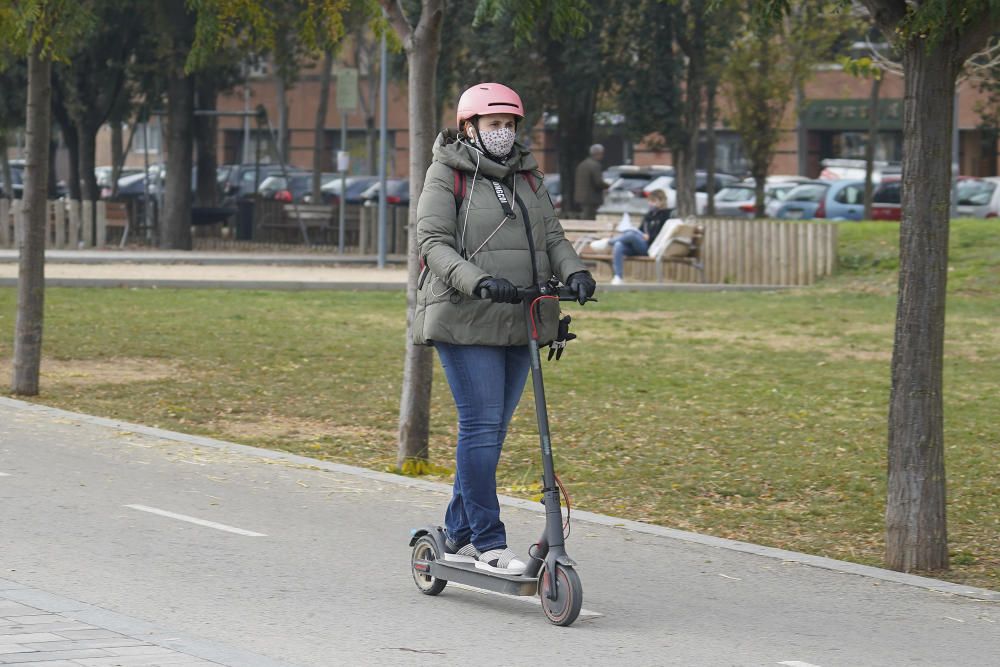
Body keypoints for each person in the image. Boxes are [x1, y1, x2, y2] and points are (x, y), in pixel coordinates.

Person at [412, 82, 597, 575]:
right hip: (464, 315)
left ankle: (456, 533)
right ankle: (487, 542)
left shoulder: (529, 177)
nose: (503, 133)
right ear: (469, 126)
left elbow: (552, 235)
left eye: (510, 124)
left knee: (491, 433)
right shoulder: (446, 173)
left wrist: (574, 270)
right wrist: (478, 281)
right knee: (480, 426)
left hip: (523, 317)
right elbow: (433, 242)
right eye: (494, 124)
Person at [590, 188, 671, 285]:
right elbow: (641, 230)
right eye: (649, 201)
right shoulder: (649, 215)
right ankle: (618, 277)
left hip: (651, 247)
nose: (651, 204)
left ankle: (608, 242)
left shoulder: (666, 216)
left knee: (631, 235)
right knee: (619, 244)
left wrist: (650, 237)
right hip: (641, 244)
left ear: (662, 201)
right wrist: (638, 233)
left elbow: (664, 234)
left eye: (653, 201)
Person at [573, 144, 609, 220]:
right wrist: (608, 185)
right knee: (589, 219)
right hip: (591, 198)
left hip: (581, 197)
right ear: (598, 154)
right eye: (602, 153)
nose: (602, 156)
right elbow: (598, 182)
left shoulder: (582, 164)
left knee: (584, 217)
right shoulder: (595, 165)